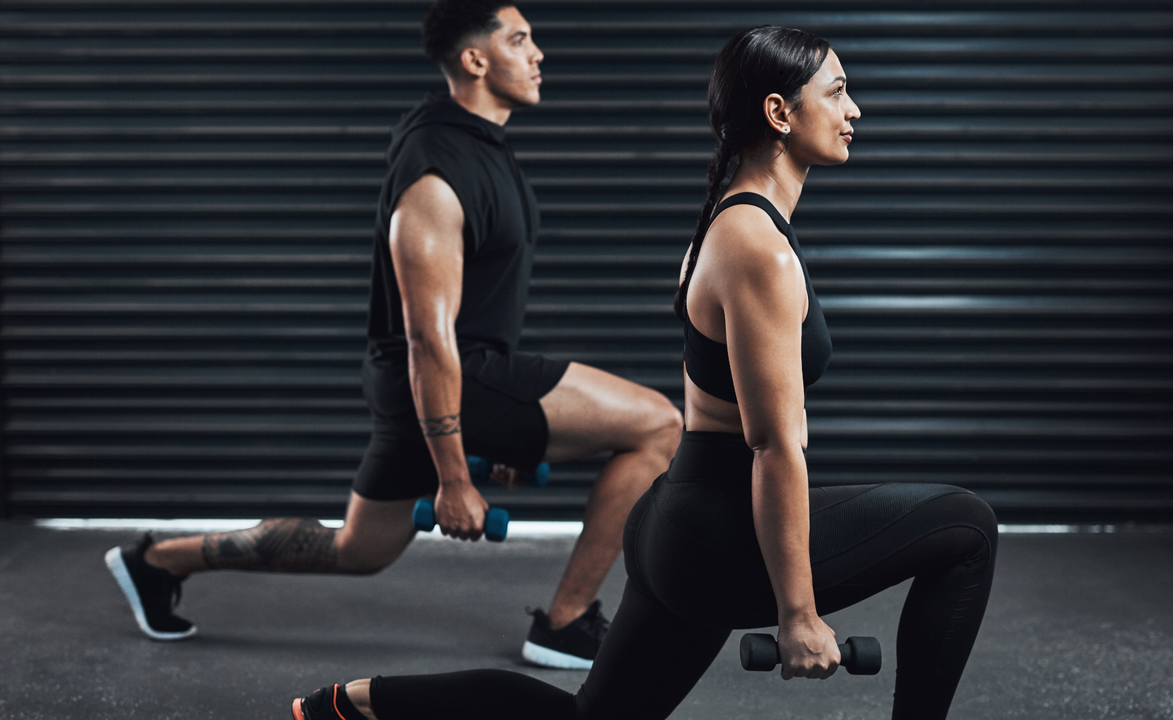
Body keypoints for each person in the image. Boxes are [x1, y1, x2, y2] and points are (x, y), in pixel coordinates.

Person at [287, 24, 998, 720]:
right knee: (965, 526)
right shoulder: (757, 247)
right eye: (839, 92)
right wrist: (798, 613)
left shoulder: (731, 222)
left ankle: (352, 705)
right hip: (715, 531)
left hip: (676, 521)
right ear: (779, 113)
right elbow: (772, 444)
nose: (855, 111)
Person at [103, 0, 683, 670]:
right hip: (448, 376)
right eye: (520, 40)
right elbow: (428, 339)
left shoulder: (473, 142)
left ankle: (156, 560)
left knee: (358, 551)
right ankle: (566, 622)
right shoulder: (435, 177)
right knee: (658, 424)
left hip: (439, 386)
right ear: (475, 59)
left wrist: (487, 439)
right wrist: (454, 477)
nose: (538, 54)